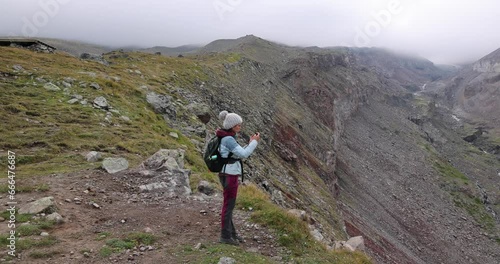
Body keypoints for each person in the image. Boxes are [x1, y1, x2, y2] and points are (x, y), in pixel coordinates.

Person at [216, 110, 260, 245]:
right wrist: (254, 142)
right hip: (230, 175)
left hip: (226, 173)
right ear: (232, 125)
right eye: (238, 125)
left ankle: (231, 233)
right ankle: (225, 236)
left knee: (229, 204)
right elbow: (244, 154)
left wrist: (249, 143)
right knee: (228, 205)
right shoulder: (229, 139)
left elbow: (237, 153)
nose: (240, 127)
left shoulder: (227, 137)